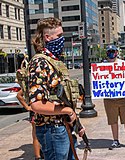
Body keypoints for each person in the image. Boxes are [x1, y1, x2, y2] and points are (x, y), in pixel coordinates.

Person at [29, 17, 84, 160]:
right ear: (47, 37)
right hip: (52, 130)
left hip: (63, 127)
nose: (61, 39)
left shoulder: (53, 61)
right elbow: (36, 104)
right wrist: (67, 111)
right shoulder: (39, 63)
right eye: (59, 36)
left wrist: (76, 123)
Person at [17, 90, 43, 160]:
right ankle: (38, 156)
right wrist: (27, 107)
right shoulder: (32, 83)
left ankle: (38, 156)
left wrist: (27, 107)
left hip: (38, 111)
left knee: (36, 134)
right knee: (36, 134)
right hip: (36, 112)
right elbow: (19, 95)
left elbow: (19, 95)